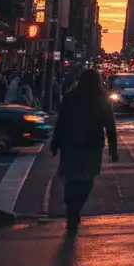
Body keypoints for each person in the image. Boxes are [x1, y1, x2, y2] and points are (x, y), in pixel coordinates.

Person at [50, 69, 118, 232]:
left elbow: (61, 123)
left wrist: (56, 143)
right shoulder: (99, 99)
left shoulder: (71, 97)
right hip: (90, 146)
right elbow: (110, 126)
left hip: (72, 145)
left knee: (72, 180)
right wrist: (113, 150)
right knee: (86, 180)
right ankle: (75, 210)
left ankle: (72, 211)